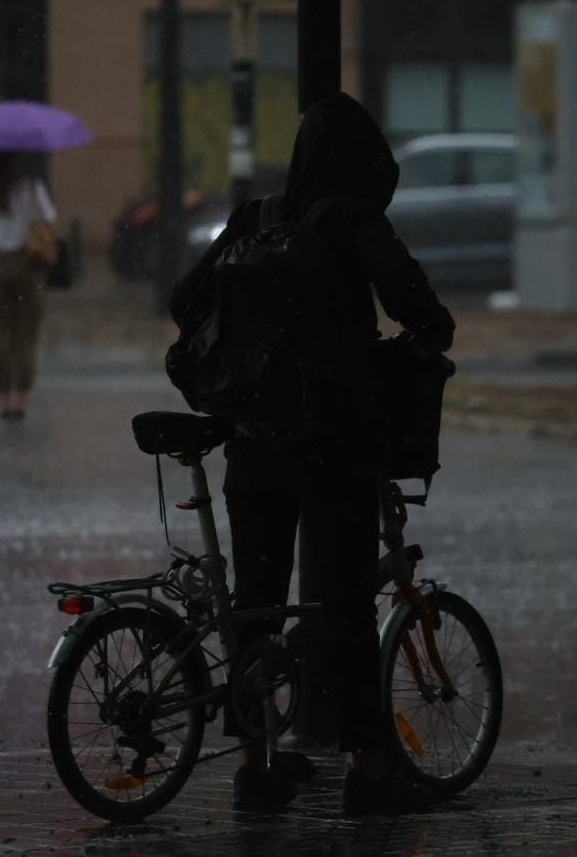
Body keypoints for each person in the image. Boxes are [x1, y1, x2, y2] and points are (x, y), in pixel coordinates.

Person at [170, 93, 455, 815]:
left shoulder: (257, 216)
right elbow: (414, 301)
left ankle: (257, 763)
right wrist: (429, 329)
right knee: (347, 607)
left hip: (254, 443)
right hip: (333, 442)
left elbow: (184, 298)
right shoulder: (350, 218)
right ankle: (371, 767)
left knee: (257, 603)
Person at [0, 152, 56, 420]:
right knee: (26, 332)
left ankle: (4, 400)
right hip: (26, 259)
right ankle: (21, 400)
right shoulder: (31, 188)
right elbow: (48, 219)